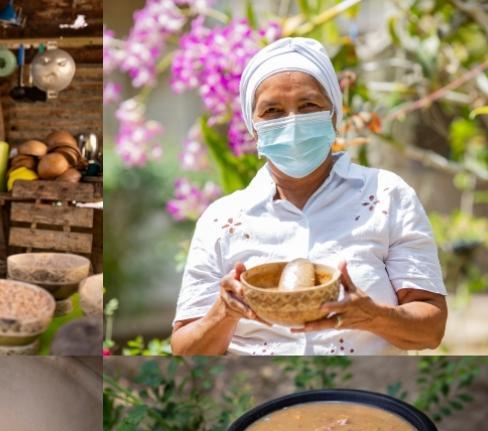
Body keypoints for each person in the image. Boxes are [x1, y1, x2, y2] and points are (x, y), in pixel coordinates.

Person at [171, 37, 448, 355]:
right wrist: (224, 311)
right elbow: (184, 350)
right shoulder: (220, 220)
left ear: (334, 115)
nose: (292, 123)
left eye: (308, 106)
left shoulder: (387, 196)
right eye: (272, 110)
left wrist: (372, 316)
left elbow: (431, 328)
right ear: (253, 126)